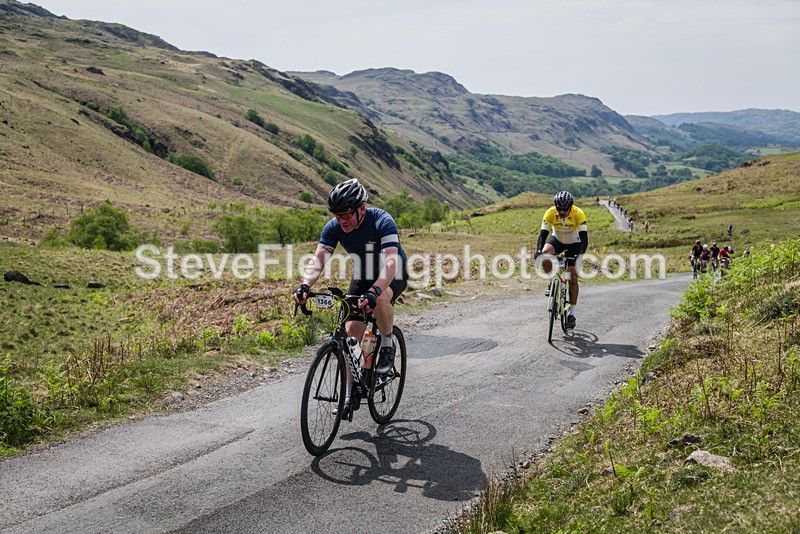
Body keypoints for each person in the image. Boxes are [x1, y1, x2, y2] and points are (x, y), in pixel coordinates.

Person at [293, 178, 408, 416]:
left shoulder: (382, 221)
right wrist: (305, 285)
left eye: (346, 215)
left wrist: (376, 290)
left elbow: (390, 262)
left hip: (391, 273)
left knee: (381, 299)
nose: (342, 220)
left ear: (361, 209)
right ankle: (350, 392)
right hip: (363, 275)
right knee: (351, 331)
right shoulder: (333, 227)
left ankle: (387, 341)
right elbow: (319, 259)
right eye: (338, 215)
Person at [535, 191, 588, 329]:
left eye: (565, 209)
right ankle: (552, 281)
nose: (563, 211)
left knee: (572, 277)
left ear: (571, 207)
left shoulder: (578, 213)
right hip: (557, 239)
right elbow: (543, 234)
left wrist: (580, 254)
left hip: (574, 243)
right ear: (556, 207)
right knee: (545, 253)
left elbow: (584, 237)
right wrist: (538, 251)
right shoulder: (550, 213)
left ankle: (571, 313)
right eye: (560, 209)